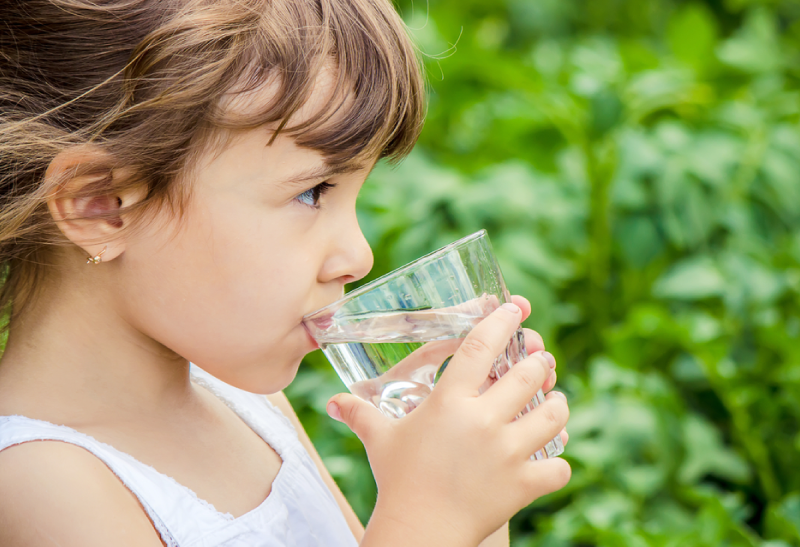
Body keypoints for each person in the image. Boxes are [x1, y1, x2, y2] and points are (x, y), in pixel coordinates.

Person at [0, 0, 571, 545]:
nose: (359, 255)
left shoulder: (246, 406)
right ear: (102, 205)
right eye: (311, 192)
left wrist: (469, 494)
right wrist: (431, 517)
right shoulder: (38, 483)